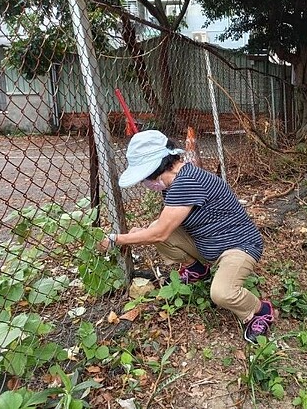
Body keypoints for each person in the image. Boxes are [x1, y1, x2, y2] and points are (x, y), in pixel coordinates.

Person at [100, 130, 274, 344]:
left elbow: (160, 233)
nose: (144, 182)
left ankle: (260, 311)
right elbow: (163, 226)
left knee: (221, 293)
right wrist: (141, 233)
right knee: (154, 229)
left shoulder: (186, 182)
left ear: (155, 168)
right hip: (210, 242)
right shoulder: (176, 181)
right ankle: (197, 268)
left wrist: (117, 239)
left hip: (239, 247)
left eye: (144, 177)